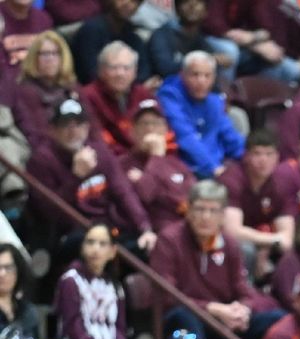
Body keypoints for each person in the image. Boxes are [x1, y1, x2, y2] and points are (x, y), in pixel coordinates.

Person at [148, 181, 283, 339]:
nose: (205, 217)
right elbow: (168, 296)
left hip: (224, 319)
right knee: (184, 319)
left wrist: (243, 310)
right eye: (200, 209)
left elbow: (243, 288)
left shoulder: (229, 244)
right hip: (181, 322)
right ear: (188, 210)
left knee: (279, 320)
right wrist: (214, 309)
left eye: (213, 211)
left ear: (222, 216)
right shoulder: (169, 240)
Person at [25, 99, 157, 251]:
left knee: (149, 244)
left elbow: (123, 191)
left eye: (78, 124)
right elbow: (50, 213)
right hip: (69, 234)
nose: (73, 131)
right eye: (65, 125)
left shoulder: (99, 152)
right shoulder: (42, 160)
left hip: (108, 227)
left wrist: (144, 227)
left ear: (87, 128)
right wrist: (76, 177)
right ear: (53, 130)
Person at [54, 223, 129, 339]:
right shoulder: (71, 281)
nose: (95, 248)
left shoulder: (115, 286)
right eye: (90, 242)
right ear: (82, 247)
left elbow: (119, 330)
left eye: (102, 244)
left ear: (112, 251)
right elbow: (75, 329)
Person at [217, 129, 297, 275]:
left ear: (277, 158)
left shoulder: (282, 183)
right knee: (246, 249)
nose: (263, 160)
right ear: (246, 156)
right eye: (257, 153)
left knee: (292, 255)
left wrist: (266, 246)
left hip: (261, 240)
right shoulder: (231, 179)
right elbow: (232, 231)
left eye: (269, 154)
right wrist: (270, 241)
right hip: (226, 241)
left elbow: (286, 238)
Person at [157, 51, 244, 179]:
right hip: (185, 168)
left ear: (214, 78)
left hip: (217, 166)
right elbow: (185, 137)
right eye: (195, 75)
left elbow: (228, 133)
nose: (201, 81)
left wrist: (248, 158)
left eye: (207, 76)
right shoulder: (169, 96)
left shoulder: (214, 100)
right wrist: (214, 168)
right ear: (182, 75)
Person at [121, 99, 197, 234]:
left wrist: (149, 181)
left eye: (156, 123)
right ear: (132, 131)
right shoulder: (123, 165)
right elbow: (144, 196)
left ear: (165, 130)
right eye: (143, 124)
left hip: (189, 227)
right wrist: (156, 157)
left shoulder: (176, 163)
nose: (150, 129)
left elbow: (191, 198)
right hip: (155, 232)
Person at [81, 41, 156, 156]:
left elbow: (161, 131)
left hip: (148, 157)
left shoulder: (143, 95)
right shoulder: (88, 96)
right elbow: (99, 140)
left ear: (135, 71)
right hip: (111, 161)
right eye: (113, 68)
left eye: (126, 68)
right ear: (101, 70)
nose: (120, 73)